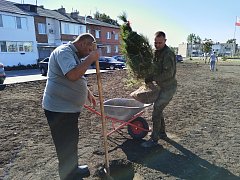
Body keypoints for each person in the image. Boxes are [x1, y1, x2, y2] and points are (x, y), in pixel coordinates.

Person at [42, 33, 99, 179]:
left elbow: (76, 76)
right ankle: (68, 175)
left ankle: (73, 169)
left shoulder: (73, 54)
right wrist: (90, 59)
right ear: (82, 44)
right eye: (88, 50)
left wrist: (87, 93)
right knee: (64, 145)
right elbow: (73, 75)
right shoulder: (64, 52)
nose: (88, 53)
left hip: (68, 110)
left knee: (71, 141)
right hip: (58, 110)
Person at [141, 31, 177, 148]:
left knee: (156, 110)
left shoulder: (168, 54)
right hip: (161, 87)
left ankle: (154, 139)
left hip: (169, 87)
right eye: (155, 43)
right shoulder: (157, 52)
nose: (157, 45)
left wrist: (153, 78)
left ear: (165, 41)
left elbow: (169, 74)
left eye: (160, 43)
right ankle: (162, 133)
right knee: (158, 109)